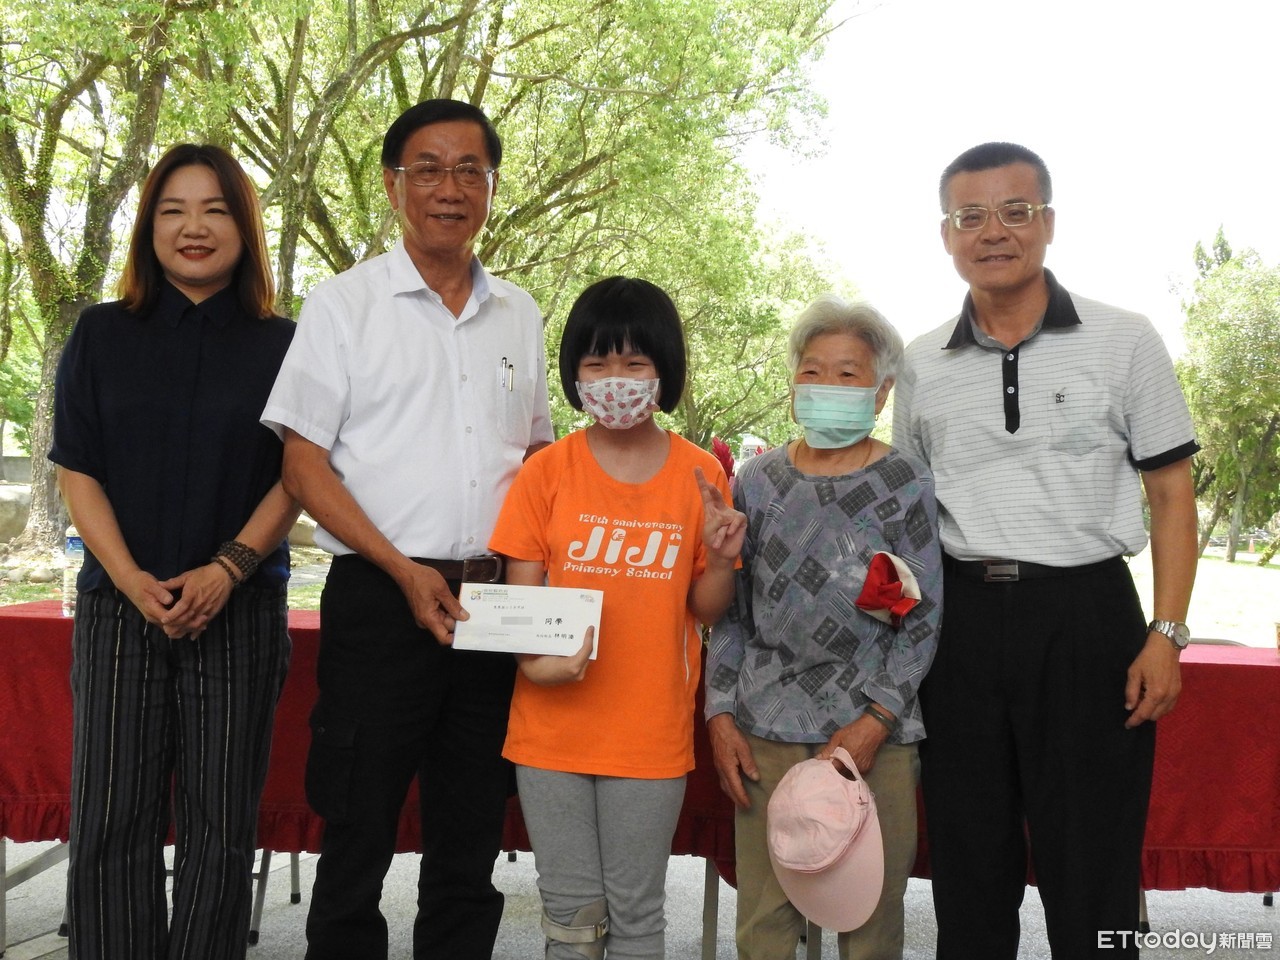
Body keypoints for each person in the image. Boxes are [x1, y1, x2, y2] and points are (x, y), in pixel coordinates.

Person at [260, 98, 554, 960]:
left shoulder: (520, 313)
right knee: (357, 824)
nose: (448, 188)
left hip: (492, 604)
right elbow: (302, 465)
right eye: (427, 168)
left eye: (469, 170)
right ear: (393, 186)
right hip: (380, 598)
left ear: (490, 187)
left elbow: (538, 458)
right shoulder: (344, 305)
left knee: (471, 829)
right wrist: (400, 568)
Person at [891, 142, 1199, 959]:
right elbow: (910, 514)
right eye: (970, 216)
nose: (993, 231)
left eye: (1015, 211)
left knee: (1094, 866)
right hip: (959, 627)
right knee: (968, 865)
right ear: (946, 234)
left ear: (1049, 222)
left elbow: (1173, 496)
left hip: (1087, 618)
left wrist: (1167, 635)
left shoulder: (1125, 339)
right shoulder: (921, 363)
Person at [49, 143, 299, 960]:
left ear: (245, 228)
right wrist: (129, 580)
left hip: (239, 609)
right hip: (120, 609)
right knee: (109, 820)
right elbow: (77, 469)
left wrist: (229, 568)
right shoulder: (100, 333)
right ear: (148, 228)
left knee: (220, 827)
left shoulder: (285, 345)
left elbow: (299, 475)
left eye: (215, 210)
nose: (195, 227)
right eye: (174, 210)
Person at [488, 275, 745, 959]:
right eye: (597, 362)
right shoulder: (545, 472)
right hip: (549, 733)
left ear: (665, 371)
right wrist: (536, 665)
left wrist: (722, 560)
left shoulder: (701, 476)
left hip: (649, 733)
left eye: (634, 362)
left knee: (637, 916)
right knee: (571, 918)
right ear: (575, 373)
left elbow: (705, 607)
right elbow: (521, 603)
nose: (615, 379)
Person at [706, 294, 942, 960]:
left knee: (869, 924)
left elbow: (922, 617)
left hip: (873, 736)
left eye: (848, 373)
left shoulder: (906, 481)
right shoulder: (757, 480)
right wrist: (721, 714)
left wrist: (877, 720)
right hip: (764, 731)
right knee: (763, 925)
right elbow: (731, 613)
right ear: (792, 384)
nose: (827, 385)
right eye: (812, 371)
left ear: (881, 390)